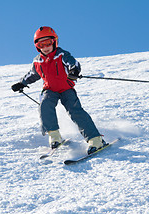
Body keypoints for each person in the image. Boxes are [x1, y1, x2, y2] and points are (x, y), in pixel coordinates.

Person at [11, 26, 106, 154]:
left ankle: (95, 140)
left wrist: (74, 71)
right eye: (41, 44)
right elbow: (32, 74)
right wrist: (21, 83)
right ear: (37, 46)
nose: (45, 47)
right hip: (49, 89)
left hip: (66, 88)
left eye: (48, 43)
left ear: (54, 41)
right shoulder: (37, 61)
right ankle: (54, 137)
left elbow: (74, 64)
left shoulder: (62, 55)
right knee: (44, 105)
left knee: (75, 111)